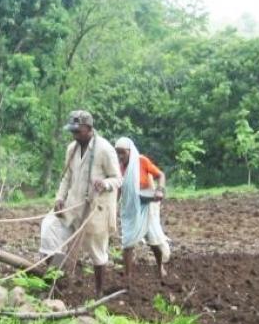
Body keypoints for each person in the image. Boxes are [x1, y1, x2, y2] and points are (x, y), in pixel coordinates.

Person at [39, 110, 122, 296]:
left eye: (78, 131)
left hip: (95, 208)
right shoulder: (71, 148)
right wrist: (59, 198)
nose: (74, 135)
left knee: (97, 252)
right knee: (49, 230)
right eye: (72, 131)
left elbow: (118, 178)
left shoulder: (104, 149)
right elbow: (66, 177)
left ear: (89, 128)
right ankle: (55, 281)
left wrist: (105, 184)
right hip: (72, 205)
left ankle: (99, 292)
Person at [114, 137, 170, 284]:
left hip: (147, 205)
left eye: (123, 153)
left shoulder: (141, 161)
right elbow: (119, 189)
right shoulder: (118, 168)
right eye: (117, 153)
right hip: (130, 209)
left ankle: (159, 266)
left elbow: (160, 175)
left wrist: (159, 190)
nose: (120, 157)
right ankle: (128, 277)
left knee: (153, 241)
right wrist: (113, 207)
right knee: (127, 242)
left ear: (130, 152)